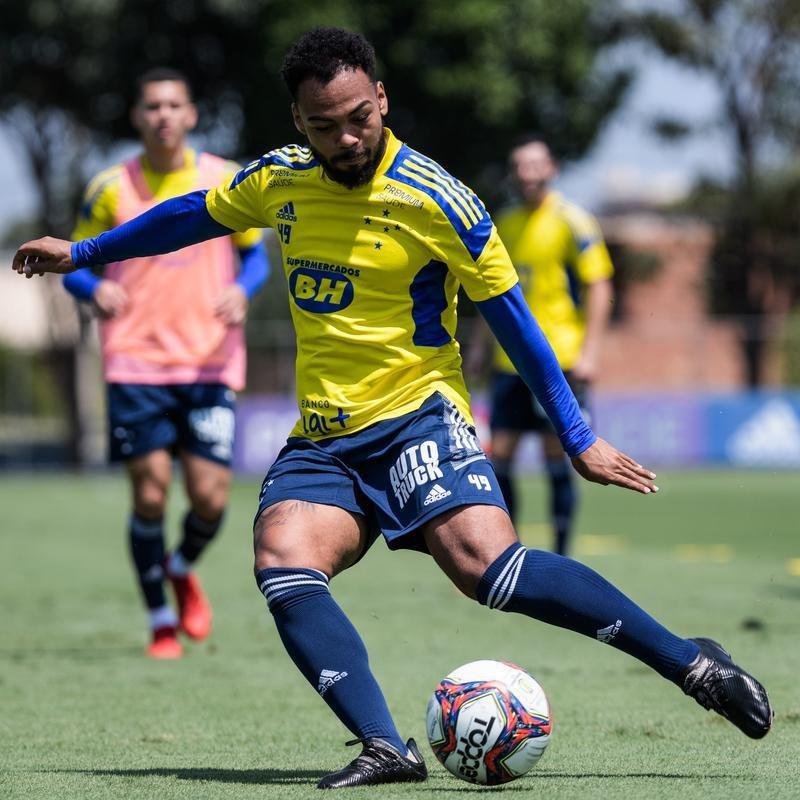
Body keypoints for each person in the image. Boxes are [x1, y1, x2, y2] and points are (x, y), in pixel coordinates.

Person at [13, 28, 771, 788]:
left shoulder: (441, 200)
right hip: (325, 435)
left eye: (358, 118)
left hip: (418, 416)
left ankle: (693, 665)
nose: (345, 139)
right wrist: (83, 253)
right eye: (323, 126)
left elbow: (516, 324)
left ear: (381, 99)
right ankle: (385, 746)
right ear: (298, 121)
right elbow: (191, 215)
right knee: (283, 560)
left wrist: (577, 434)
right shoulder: (279, 179)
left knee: (488, 571)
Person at [61, 68, 269, 659]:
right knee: (150, 496)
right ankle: (159, 622)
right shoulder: (110, 187)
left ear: (192, 114)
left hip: (209, 363)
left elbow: (256, 258)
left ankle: (180, 567)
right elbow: (73, 263)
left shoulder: (223, 178)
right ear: (137, 116)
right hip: (137, 362)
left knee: (210, 500)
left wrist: (243, 291)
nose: (163, 116)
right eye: (152, 106)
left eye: (174, 105)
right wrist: (93, 288)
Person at [467, 137, 614, 555]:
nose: (527, 174)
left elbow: (599, 285)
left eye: (535, 165)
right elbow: (490, 292)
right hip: (509, 362)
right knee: (501, 454)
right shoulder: (504, 223)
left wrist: (590, 353)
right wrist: (478, 346)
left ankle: (561, 552)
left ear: (552, 170)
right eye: (520, 166)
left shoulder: (573, 221)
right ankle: (509, 550)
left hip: (559, 359)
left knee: (557, 453)